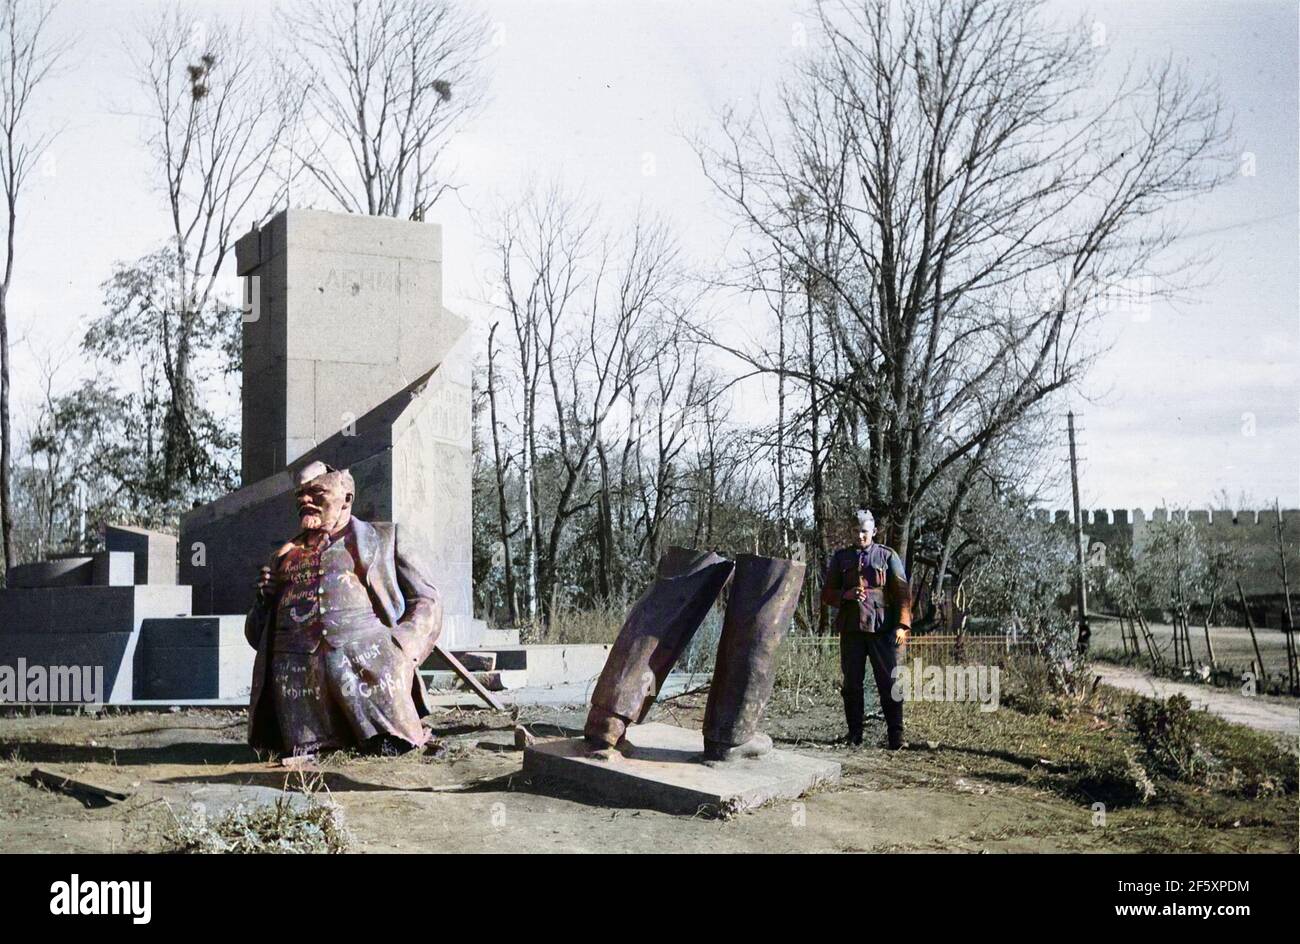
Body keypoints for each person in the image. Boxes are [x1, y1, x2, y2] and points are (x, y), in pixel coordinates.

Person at [244, 460, 442, 758]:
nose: (304, 501)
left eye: (315, 492)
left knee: (390, 750)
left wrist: (403, 646)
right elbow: (256, 636)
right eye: (299, 495)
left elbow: (426, 600)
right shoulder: (283, 556)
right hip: (300, 689)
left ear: (346, 498)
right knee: (308, 758)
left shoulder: (386, 538)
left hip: (371, 673)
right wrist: (264, 602)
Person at [821, 509, 912, 749]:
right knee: (852, 684)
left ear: (873, 531)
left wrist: (902, 626)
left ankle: (896, 737)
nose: (860, 535)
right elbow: (827, 594)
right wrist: (846, 594)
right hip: (851, 629)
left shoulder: (887, 555)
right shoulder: (841, 558)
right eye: (855, 531)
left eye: (864, 531)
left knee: (889, 682)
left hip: (882, 629)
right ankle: (855, 735)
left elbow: (902, 592)